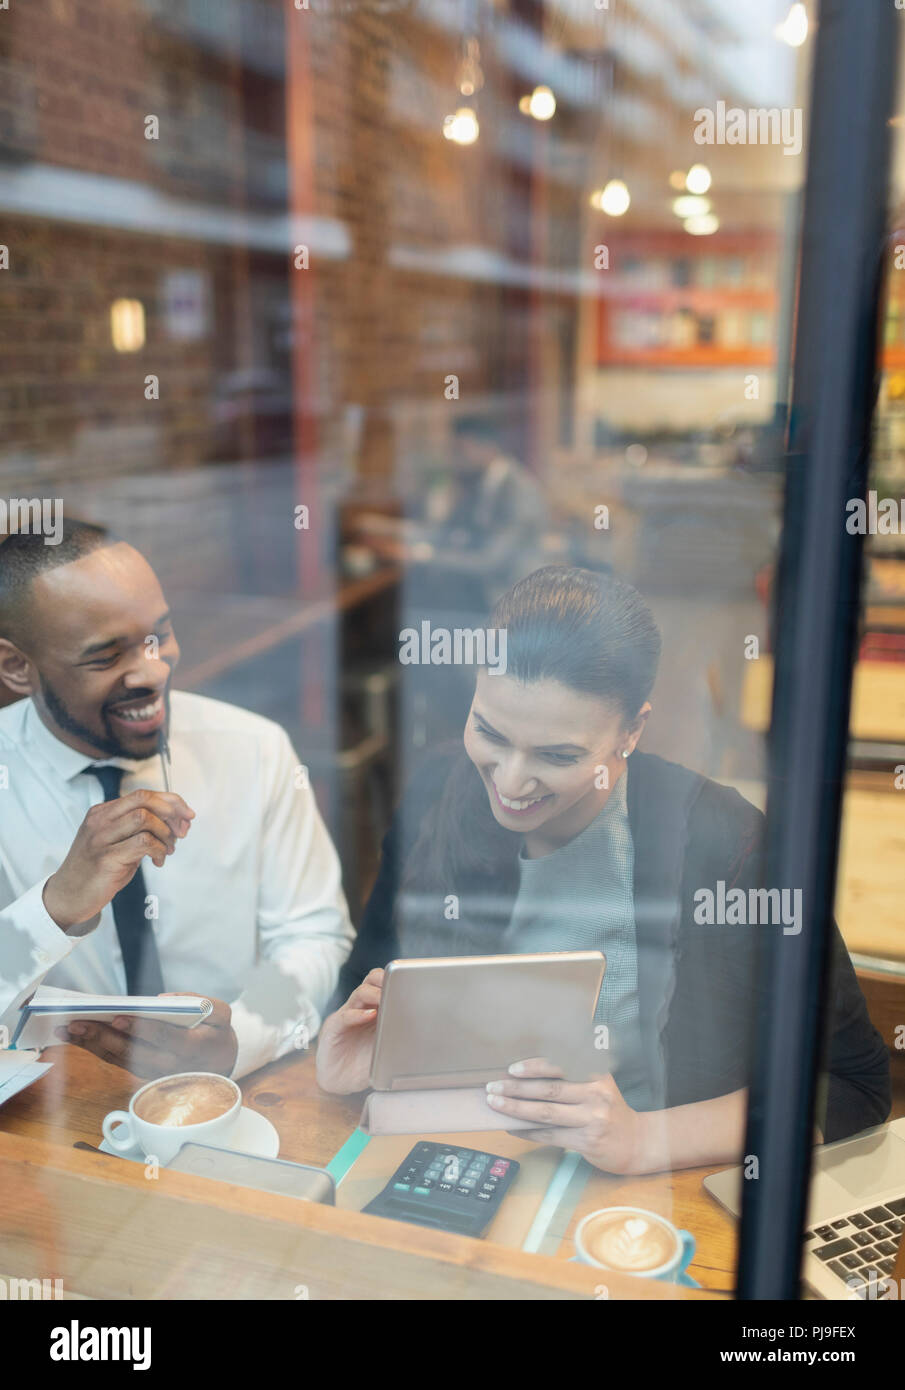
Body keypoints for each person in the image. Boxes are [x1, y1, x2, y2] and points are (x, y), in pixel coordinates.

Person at [316, 566, 890, 1173]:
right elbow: (369, 982)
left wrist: (642, 1139)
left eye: (558, 755)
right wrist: (356, 1058)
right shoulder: (437, 793)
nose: (510, 782)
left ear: (632, 730)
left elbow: (853, 1083)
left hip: (637, 1199)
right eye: (489, 731)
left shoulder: (731, 847)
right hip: (452, 1164)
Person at [0, 521, 354, 1079]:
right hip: (50, 1119)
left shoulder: (254, 749)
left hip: (238, 1097)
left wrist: (243, 1036)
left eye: (157, 635)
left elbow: (312, 936)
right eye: (104, 657)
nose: (153, 671)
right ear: (17, 666)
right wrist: (55, 907)